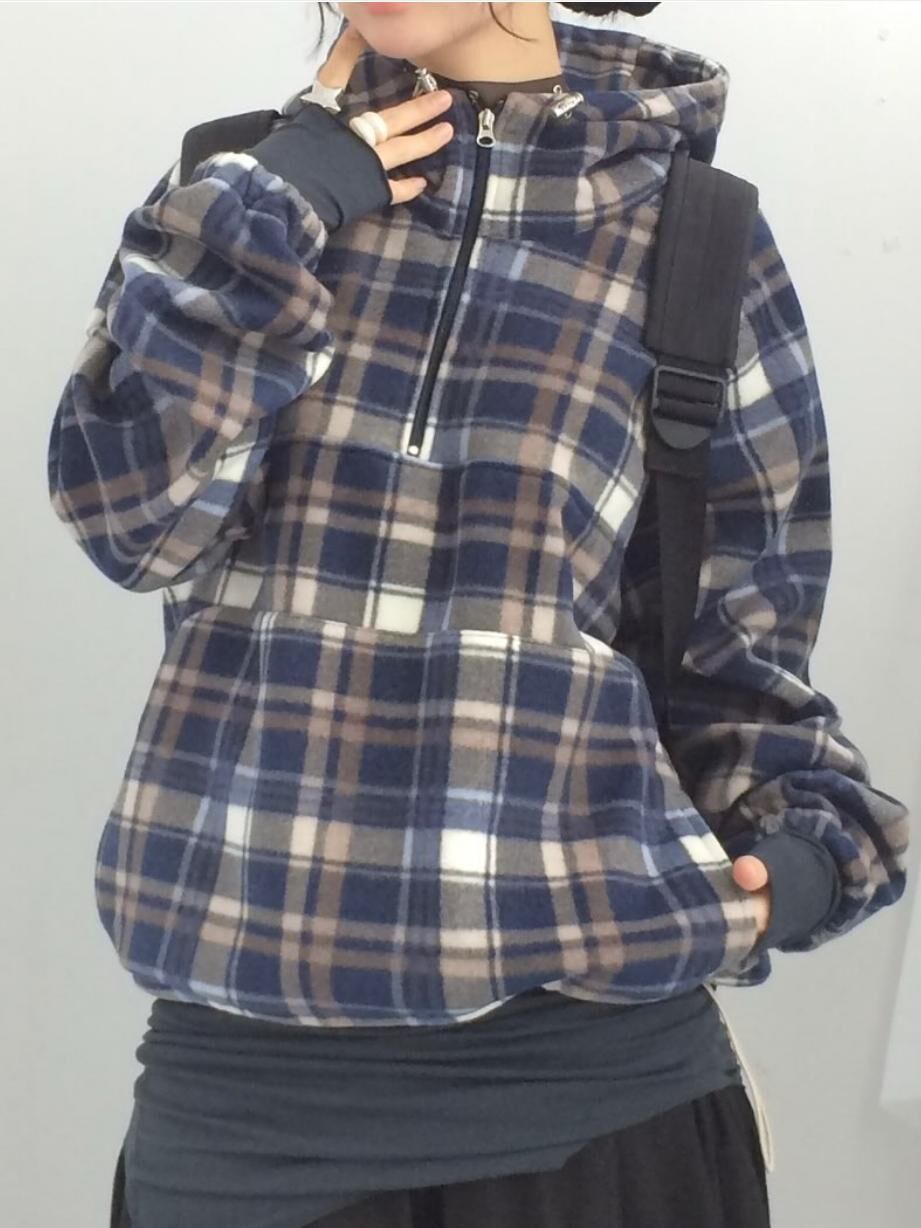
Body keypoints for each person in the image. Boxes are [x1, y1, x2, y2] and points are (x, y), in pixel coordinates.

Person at [46, 3, 910, 1226]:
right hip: (240, 1112)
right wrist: (280, 207)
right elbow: (130, 522)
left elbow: (733, 664)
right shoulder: (235, 191)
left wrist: (809, 853)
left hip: (599, 1101)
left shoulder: (699, 240)